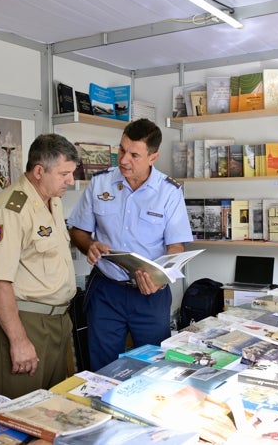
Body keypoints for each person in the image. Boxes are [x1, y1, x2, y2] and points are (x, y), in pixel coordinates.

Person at [67, 119, 193, 371]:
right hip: (106, 291)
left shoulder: (169, 192)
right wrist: (89, 245)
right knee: (102, 368)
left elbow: (176, 246)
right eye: (122, 150)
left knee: (154, 367)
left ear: (153, 157)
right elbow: (78, 231)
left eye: (134, 154)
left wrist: (161, 277)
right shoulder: (100, 183)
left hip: (149, 293)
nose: (124, 160)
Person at [0, 133, 79, 398]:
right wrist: (19, 341)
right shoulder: (9, 209)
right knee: (20, 414)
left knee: (53, 411)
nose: (71, 180)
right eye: (64, 174)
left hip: (58, 322)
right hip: (27, 324)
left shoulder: (52, 200)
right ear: (38, 171)